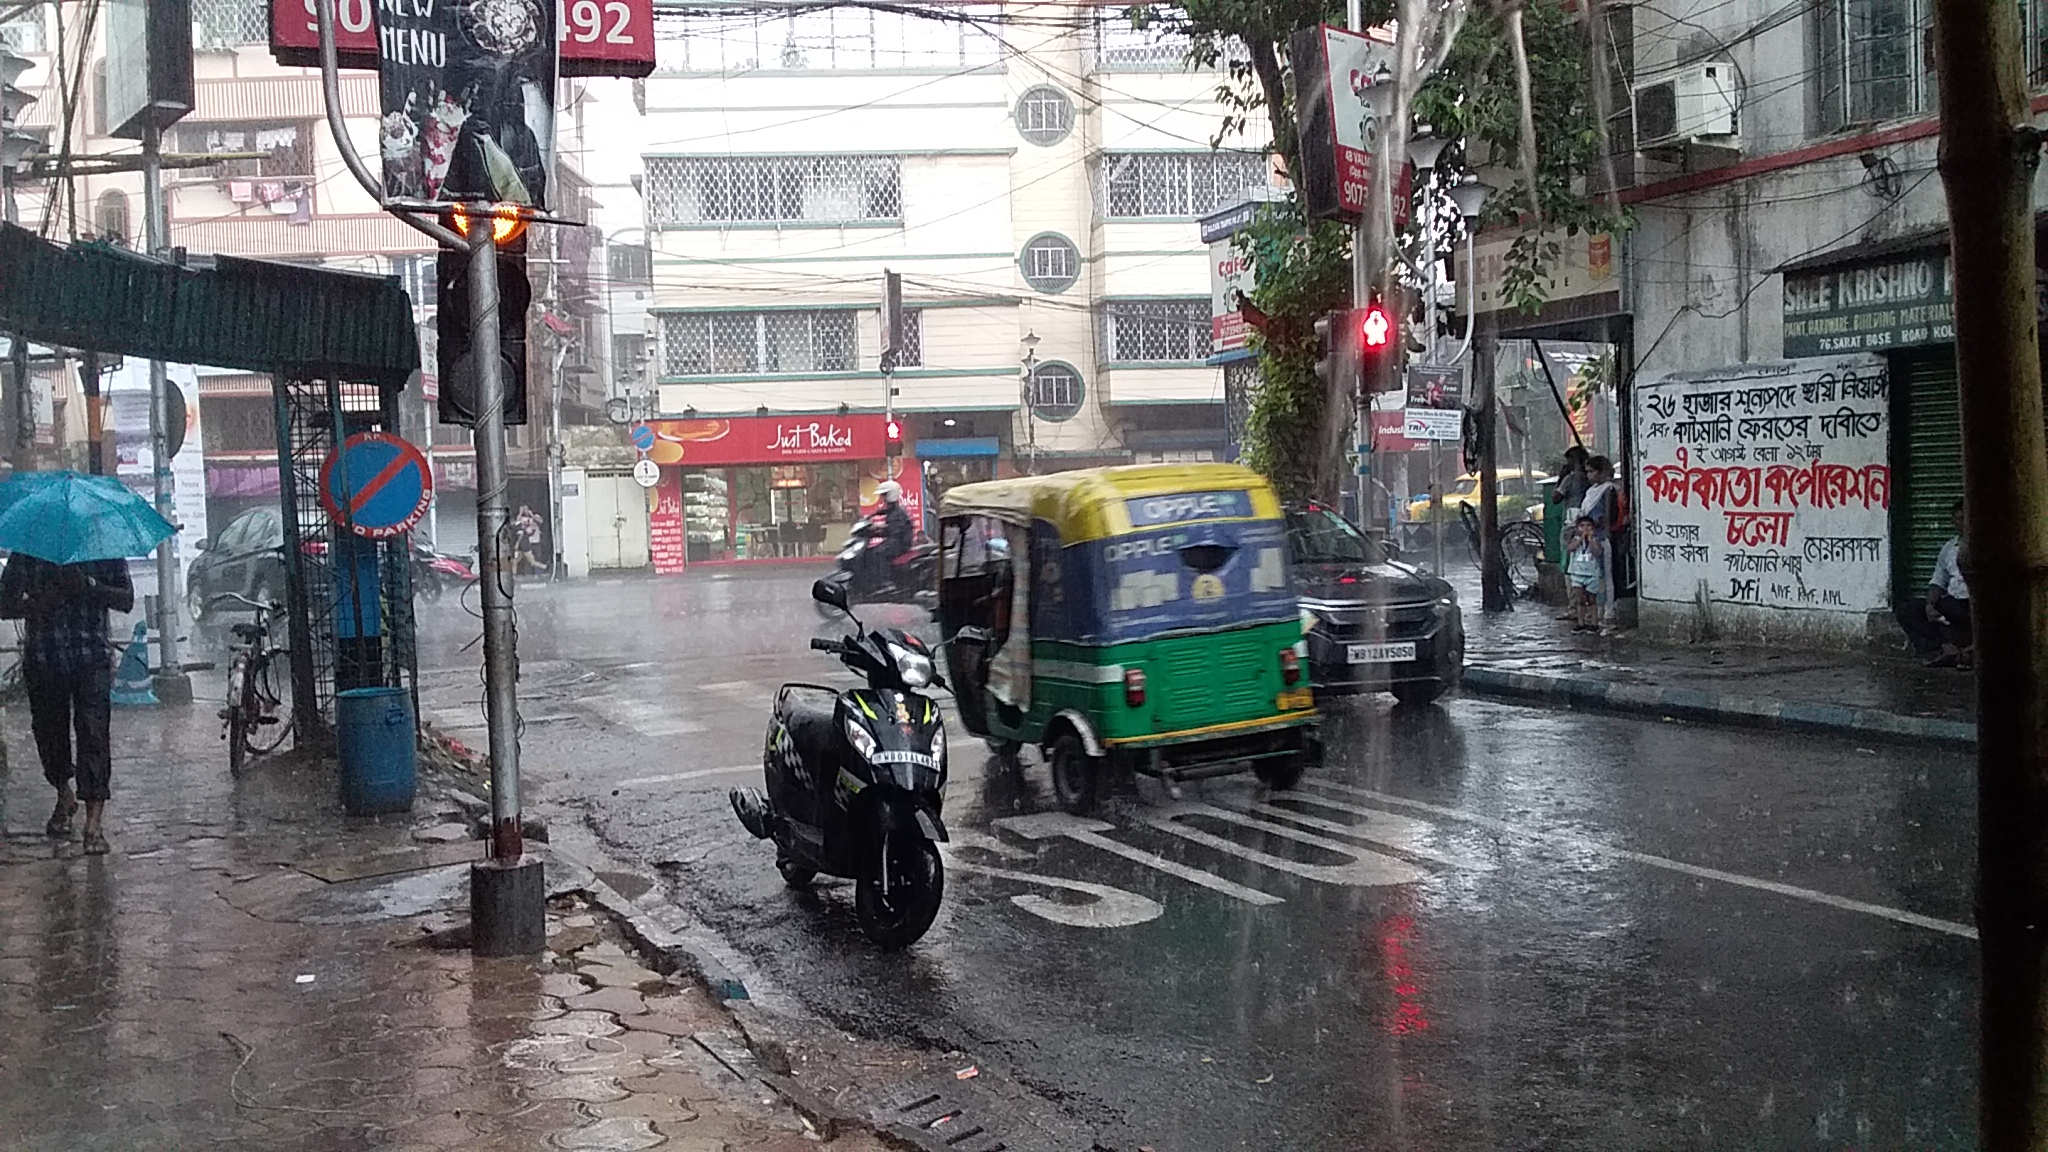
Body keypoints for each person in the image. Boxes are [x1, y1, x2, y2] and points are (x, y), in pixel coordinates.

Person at [0, 553, 134, 854]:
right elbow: (3, 604)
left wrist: (87, 585)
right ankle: (64, 793)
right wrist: (37, 604)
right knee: (49, 734)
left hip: (92, 660)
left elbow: (126, 599)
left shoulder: (102, 550)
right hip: (44, 658)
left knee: (94, 733)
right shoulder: (29, 554)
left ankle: (93, 823)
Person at [1895, 498, 1972, 668]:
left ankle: (1965, 652)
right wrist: (1930, 604)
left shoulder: (1989, 545)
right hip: (1954, 603)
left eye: (1965, 518)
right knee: (1908, 610)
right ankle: (1941, 650)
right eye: (1957, 519)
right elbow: (1938, 581)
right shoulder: (1950, 547)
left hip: (1976, 606)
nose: (1961, 523)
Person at [868, 480, 914, 590]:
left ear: (890, 494)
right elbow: (882, 512)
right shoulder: (892, 508)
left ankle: (886, 582)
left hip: (900, 542)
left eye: (884, 495)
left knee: (877, 553)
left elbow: (893, 530)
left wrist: (878, 530)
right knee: (870, 551)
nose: (882, 497)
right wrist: (870, 516)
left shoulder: (897, 512)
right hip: (895, 540)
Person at [1565, 516, 1605, 633]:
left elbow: (1598, 553)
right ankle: (1580, 623)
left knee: (1592, 599)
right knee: (1580, 599)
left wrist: (1591, 540)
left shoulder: (1595, 540)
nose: (1585, 529)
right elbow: (1570, 548)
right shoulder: (1575, 539)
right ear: (1577, 528)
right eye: (1582, 526)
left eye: (1588, 526)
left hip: (1592, 574)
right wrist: (1581, 539)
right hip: (1577, 573)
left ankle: (1594, 623)